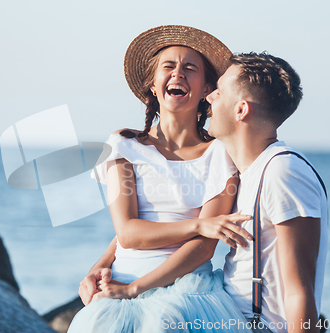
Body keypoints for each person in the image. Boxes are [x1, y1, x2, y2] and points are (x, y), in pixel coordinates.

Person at [67, 25, 252, 333]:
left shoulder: (220, 152)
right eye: (168, 66)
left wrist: (136, 289)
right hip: (122, 281)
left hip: (188, 290)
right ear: (153, 85)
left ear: (207, 88)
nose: (178, 73)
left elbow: (205, 248)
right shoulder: (123, 146)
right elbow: (127, 232)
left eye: (190, 68)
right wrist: (196, 224)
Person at [206, 52, 328, 333]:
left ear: (241, 110)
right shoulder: (247, 172)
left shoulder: (283, 171)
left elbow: (300, 289)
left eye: (219, 91)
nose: (210, 97)